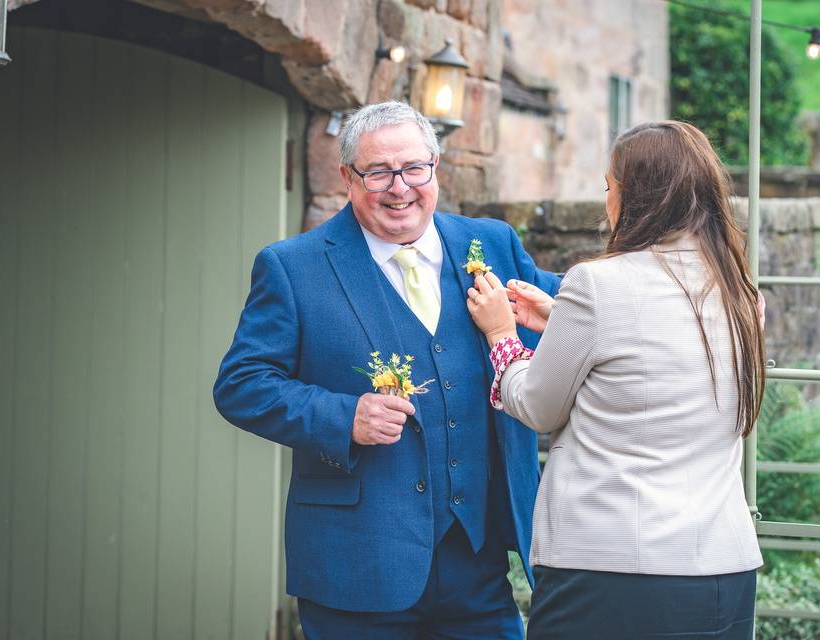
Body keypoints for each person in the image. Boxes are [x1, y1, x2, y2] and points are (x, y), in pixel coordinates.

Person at [213, 100, 560, 639]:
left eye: (414, 168)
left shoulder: (492, 244)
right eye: (378, 172)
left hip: (480, 562)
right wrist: (342, 416)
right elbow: (240, 385)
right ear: (348, 177)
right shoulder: (293, 266)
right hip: (356, 566)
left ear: (435, 167)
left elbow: (582, 311)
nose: (400, 187)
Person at [467, 120, 766, 639]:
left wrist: (500, 335)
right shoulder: (743, 294)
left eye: (610, 187)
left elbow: (537, 406)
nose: (607, 201)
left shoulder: (597, 283)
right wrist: (562, 316)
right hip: (724, 567)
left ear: (638, 197)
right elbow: (657, 356)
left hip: (614, 573)